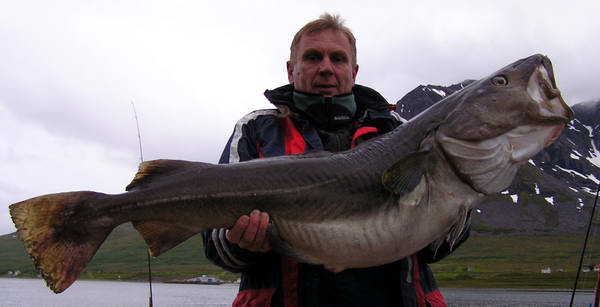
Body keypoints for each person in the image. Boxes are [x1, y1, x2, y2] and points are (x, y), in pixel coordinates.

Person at [203, 13, 470, 307]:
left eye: (338, 58)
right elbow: (216, 244)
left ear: (354, 72)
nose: (326, 68)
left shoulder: (401, 132)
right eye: (313, 57)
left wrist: (457, 196)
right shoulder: (255, 130)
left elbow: (435, 250)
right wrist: (241, 243)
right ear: (291, 70)